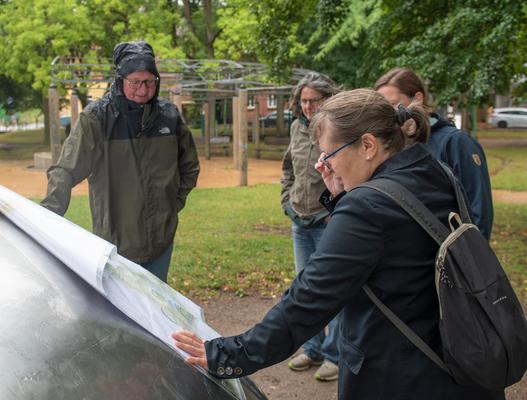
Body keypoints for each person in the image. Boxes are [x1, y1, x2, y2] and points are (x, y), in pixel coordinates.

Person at [172, 89, 504, 400]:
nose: (324, 165)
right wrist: (343, 195)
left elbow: (310, 298)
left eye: (329, 154)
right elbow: (392, 248)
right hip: (458, 365)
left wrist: (229, 354)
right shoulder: (433, 170)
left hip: (401, 377)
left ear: (369, 146)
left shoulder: (367, 209)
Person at [41, 40, 200, 282]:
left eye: (149, 82)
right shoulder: (96, 119)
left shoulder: (169, 116)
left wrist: (171, 204)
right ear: (120, 80)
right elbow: (65, 170)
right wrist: (46, 216)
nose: (142, 89)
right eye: (134, 82)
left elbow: (189, 166)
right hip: (114, 244)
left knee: (154, 310)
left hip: (161, 240)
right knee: (119, 314)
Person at [375, 67, 493, 239]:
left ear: (418, 98)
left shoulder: (456, 142)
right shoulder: (390, 146)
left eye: (392, 104)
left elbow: (479, 209)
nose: (388, 114)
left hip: (450, 256)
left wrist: (471, 260)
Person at [280, 72, 341, 381]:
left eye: (313, 100)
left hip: (327, 221)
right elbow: (288, 166)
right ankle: (312, 348)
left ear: (327, 100)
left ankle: (334, 354)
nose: (306, 106)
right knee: (306, 288)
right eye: (303, 100)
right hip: (299, 221)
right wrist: (285, 199)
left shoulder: (338, 130)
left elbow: (345, 172)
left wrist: (338, 209)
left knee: (334, 287)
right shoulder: (295, 127)